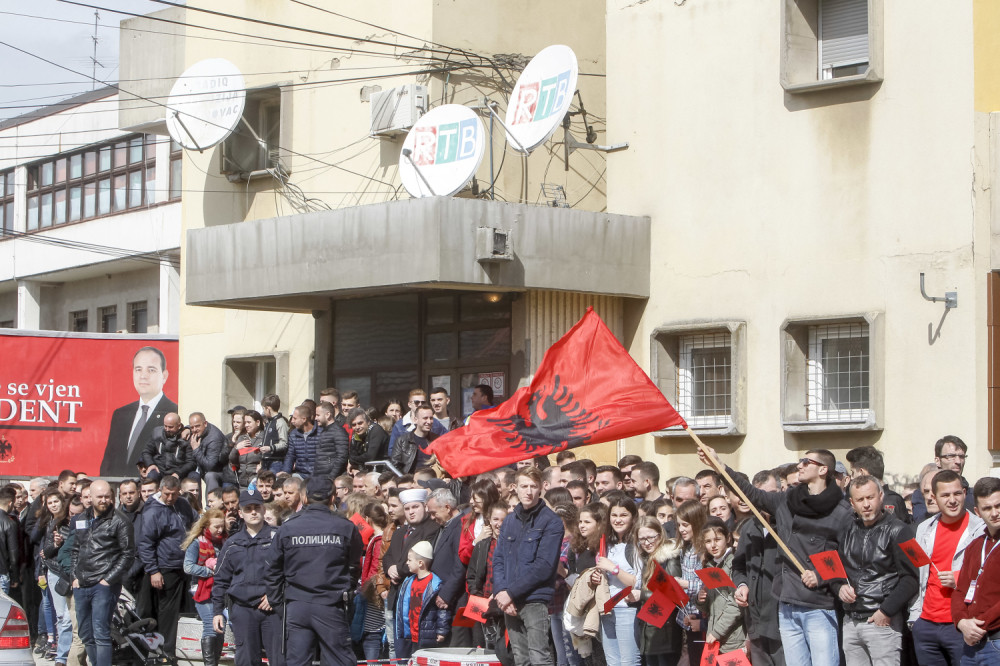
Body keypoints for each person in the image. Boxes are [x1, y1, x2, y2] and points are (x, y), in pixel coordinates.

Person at [699, 445, 852, 666]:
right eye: (800, 461)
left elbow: (846, 557)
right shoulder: (787, 500)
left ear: (823, 470)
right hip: (787, 604)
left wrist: (819, 575)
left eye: (807, 462)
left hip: (819, 606)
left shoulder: (841, 511)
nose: (800, 465)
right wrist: (719, 465)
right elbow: (750, 493)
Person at [263, 476, 363, 666]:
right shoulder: (345, 527)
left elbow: (272, 570)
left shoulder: (288, 527)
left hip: (297, 605)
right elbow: (354, 565)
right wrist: (344, 590)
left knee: (297, 662)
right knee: (338, 661)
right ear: (332, 498)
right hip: (330, 604)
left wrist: (280, 605)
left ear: (304, 498)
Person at [835, 475, 918, 666]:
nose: (866, 504)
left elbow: (912, 577)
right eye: (860, 500)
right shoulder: (846, 530)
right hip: (851, 621)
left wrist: (886, 610)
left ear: (881, 496)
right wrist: (838, 587)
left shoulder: (901, 530)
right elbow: (836, 570)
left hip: (882, 622)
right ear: (852, 503)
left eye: (870, 497)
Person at [910, 470, 985, 666]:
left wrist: (959, 579)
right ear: (934, 498)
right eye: (945, 495)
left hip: (961, 623)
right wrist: (916, 619)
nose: (952, 500)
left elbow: (990, 574)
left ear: (965, 493)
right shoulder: (924, 528)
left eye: (957, 493)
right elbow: (919, 574)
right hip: (926, 623)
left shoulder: (981, 529)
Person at [492, 466, 564, 666]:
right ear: (515, 488)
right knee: (520, 658)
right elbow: (498, 559)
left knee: (539, 657)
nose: (529, 491)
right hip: (509, 600)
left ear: (541, 488)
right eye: (524, 486)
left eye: (533, 486)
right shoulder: (509, 520)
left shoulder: (551, 522)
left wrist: (510, 593)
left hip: (534, 599)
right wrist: (501, 591)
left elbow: (544, 566)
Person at [212, 489, 283, 666]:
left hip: (272, 609)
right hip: (243, 609)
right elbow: (220, 579)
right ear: (241, 513)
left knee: (280, 660)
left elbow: (291, 572)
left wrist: (275, 595)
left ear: (263, 509)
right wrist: (217, 611)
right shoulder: (232, 543)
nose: (253, 512)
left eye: (257, 507)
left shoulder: (278, 537)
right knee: (246, 660)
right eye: (248, 509)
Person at [71, 480, 134, 666]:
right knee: (85, 633)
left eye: (107, 496)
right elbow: (75, 548)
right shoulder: (81, 518)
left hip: (104, 584)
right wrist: (74, 576)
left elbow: (128, 554)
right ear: (90, 497)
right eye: (100, 497)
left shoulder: (120, 521)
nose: (104, 500)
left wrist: (108, 579)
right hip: (81, 582)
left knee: (101, 632)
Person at [138, 475, 197, 656]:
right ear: (160, 491)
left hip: (185, 564)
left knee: (185, 609)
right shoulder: (152, 511)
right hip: (166, 566)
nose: (170, 498)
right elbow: (145, 544)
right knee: (168, 612)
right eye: (167, 494)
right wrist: (153, 571)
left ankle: (181, 648)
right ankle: (165, 652)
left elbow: (196, 521)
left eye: (174, 494)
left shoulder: (182, 504)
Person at [732, 470, 784, 666]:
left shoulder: (788, 525)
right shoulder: (749, 527)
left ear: (781, 491)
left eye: (770, 494)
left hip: (781, 620)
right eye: (760, 495)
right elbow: (738, 566)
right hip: (755, 620)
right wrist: (742, 584)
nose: (765, 501)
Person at [102, 346, 179, 477]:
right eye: (138, 369)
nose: (143, 376)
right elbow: (108, 462)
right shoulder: (120, 414)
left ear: (164, 376)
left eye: (151, 370)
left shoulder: (174, 412)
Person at [952, 477, 1000, 662]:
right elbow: (960, 590)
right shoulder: (975, 545)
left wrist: (978, 625)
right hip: (971, 645)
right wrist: (961, 622)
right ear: (978, 512)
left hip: (996, 640)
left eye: (998, 506)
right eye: (987, 508)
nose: (994, 513)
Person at [594, 494, 641, 666]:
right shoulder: (607, 543)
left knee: (629, 662)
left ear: (633, 517)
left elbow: (637, 582)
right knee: (612, 662)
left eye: (623, 515)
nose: (618, 520)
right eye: (614, 515)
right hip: (607, 608)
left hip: (627, 609)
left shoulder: (637, 544)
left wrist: (614, 569)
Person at [634, 516, 683, 666]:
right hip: (651, 627)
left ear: (660, 535)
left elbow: (673, 593)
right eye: (642, 539)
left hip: (666, 631)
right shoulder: (647, 558)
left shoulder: (670, 557)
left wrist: (641, 595)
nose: (647, 542)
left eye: (651, 537)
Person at [182, 508, 228, 666]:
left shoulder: (224, 542)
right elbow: (188, 567)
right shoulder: (197, 543)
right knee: (210, 625)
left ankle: (214, 662)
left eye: (222, 526)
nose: (220, 530)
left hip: (220, 589)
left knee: (220, 627)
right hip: (201, 589)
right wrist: (210, 571)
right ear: (206, 526)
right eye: (216, 527)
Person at [395, 541, 450, 658]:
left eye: (409, 560)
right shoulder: (408, 582)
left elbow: (442, 610)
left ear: (420, 563)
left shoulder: (435, 584)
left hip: (427, 636)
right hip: (410, 635)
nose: (407, 563)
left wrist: (441, 630)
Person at [699, 517, 746, 653]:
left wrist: (717, 632)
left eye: (717, 539)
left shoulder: (733, 564)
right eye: (708, 541)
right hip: (716, 639)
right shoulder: (710, 566)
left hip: (733, 640)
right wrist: (701, 600)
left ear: (728, 538)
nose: (713, 545)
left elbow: (736, 604)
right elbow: (712, 606)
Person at [426, 488, 467, 645]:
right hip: (442, 594)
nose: (432, 517)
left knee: (456, 644)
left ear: (447, 507)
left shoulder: (460, 525)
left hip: (454, 597)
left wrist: (446, 593)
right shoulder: (444, 526)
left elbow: (460, 564)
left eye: (434, 513)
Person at [911, 436, 977, 523]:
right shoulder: (924, 494)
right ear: (938, 461)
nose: (958, 461)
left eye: (961, 456)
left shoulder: (973, 495)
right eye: (951, 456)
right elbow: (922, 523)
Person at [846, 446, 911, 524]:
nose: (851, 478)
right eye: (860, 500)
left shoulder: (891, 501)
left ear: (862, 472)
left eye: (853, 472)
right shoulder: (894, 499)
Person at [141, 412, 195, 481]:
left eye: (170, 427)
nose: (167, 429)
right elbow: (146, 451)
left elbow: (191, 462)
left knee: (194, 475)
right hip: (159, 470)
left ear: (179, 426)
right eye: (165, 426)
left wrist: (178, 473)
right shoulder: (157, 433)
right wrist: (151, 464)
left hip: (178, 471)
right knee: (152, 474)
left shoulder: (186, 438)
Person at [391, 405, 439, 475]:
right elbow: (395, 466)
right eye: (425, 418)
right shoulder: (402, 441)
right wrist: (405, 479)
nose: (429, 421)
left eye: (431, 418)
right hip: (410, 479)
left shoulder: (437, 440)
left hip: (432, 479)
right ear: (415, 420)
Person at [189, 412, 229, 492]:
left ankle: (211, 500)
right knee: (192, 475)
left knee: (209, 476)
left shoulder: (214, 438)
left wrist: (196, 449)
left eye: (197, 426)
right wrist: (186, 429)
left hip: (220, 472)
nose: (194, 430)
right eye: (192, 427)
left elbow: (210, 466)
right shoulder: (199, 432)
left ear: (205, 424)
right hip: (201, 468)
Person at [313, 402, 349, 481]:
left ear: (328, 415)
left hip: (330, 477)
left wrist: (332, 477)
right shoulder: (324, 431)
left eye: (318, 415)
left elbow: (342, 456)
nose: (315, 418)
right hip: (321, 476)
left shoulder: (338, 432)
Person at [231, 411, 265, 488]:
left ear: (258, 422)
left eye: (249, 422)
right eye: (245, 422)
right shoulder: (242, 438)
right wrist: (236, 448)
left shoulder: (264, 438)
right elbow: (232, 460)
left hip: (257, 482)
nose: (246, 425)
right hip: (242, 482)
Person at [284, 404, 318, 478]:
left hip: (318, 475)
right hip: (300, 474)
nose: (292, 421)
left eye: (295, 418)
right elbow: (290, 456)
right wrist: (285, 472)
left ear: (304, 419)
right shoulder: (293, 434)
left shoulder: (320, 433)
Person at [260, 394, 289, 473]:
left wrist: (270, 448)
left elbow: (284, 443)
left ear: (268, 408)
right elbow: (268, 440)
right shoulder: (268, 422)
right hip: (266, 461)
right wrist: (260, 446)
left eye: (263, 409)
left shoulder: (280, 422)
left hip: (275, 462)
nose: (263, 412)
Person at [0, 485, 19, 595]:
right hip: (2, 572)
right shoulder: (9, 523)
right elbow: (13, 554)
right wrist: (15, 577)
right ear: (10, 503)